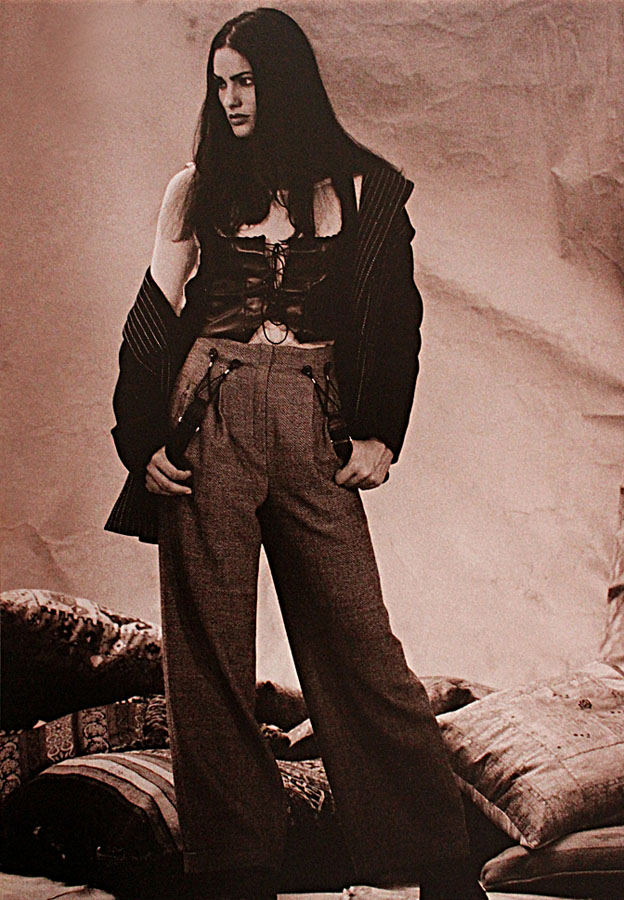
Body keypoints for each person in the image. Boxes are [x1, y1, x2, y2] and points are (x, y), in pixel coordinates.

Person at [106, 9, 487, 900]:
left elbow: (397, 320)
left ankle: (438, 861)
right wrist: (141, 440)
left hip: (313, 415)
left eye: (246, 81)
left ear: (285, 83)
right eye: (220, 84)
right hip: (211, 413)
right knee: (209, 654)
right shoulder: (195, 189)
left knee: (360, 643)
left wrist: (381, 432)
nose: (231, 100)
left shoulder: (361, 188)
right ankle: (232, 872)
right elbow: (154, 313)